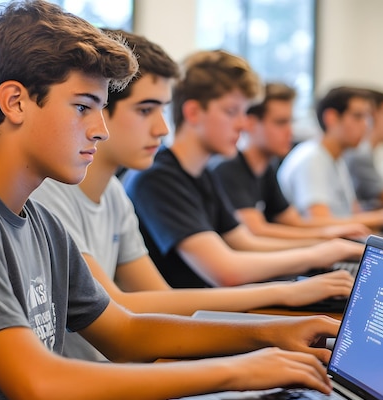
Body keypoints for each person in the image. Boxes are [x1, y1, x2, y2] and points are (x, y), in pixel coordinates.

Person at [0, 2, 339, 400]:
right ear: (14, 101)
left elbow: (126, 331)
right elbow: (43, 390)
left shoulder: (38, 220)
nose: (99, 129)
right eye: (83, 107)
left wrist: (272, 336)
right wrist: (235, 372)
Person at [31, 30, 354, 362]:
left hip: (124, 366)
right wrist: (287, 294)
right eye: (145, 110)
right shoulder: (56, 193)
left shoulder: (114, 192)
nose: (162, 129)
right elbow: (121, 305)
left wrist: (267, 334)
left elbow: (158, 297)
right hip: (103, 377)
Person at [122, 50, 364, 289]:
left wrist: (326, 246)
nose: (242, 123)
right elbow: (226, 272)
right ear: (193, 112)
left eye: (244, 112)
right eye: (231, 111)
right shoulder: (157, 178)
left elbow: (245, 241)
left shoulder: (202, 173)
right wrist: (316, 254)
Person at [211, 82, 371, 240]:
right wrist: (322, 238)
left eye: (290, 122)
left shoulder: (267, 168)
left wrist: (335, 232)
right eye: (280, 122)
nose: (290, 131)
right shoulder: (228, 168)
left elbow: (293, 221)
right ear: (251, 124)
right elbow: (256, 230)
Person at [276, 86, 383, 229]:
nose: (366, 125)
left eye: (367, 117)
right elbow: (319, 223)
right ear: (332, 118)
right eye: (358, 116)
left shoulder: (338, 157)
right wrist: (382, 218)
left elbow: (353, 213)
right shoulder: (312, 159)